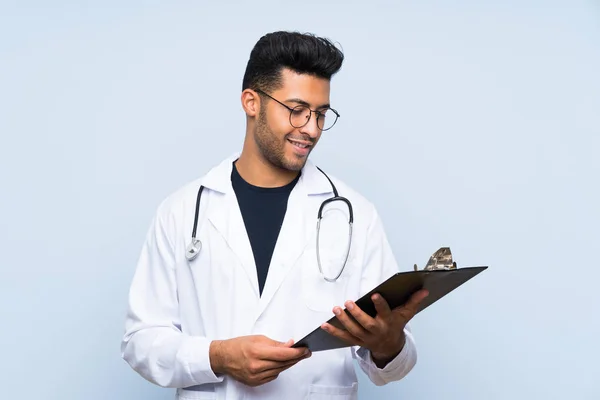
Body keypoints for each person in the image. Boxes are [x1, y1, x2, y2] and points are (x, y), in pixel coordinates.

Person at [121, 30, 429, 400]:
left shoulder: (355, 215)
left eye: (321, 114)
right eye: (297, 111)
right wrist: (217, 356)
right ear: (251, 102)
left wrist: (388, 343)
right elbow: (140, 341)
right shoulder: (182, 211)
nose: (312, 129)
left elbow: (394, 364)